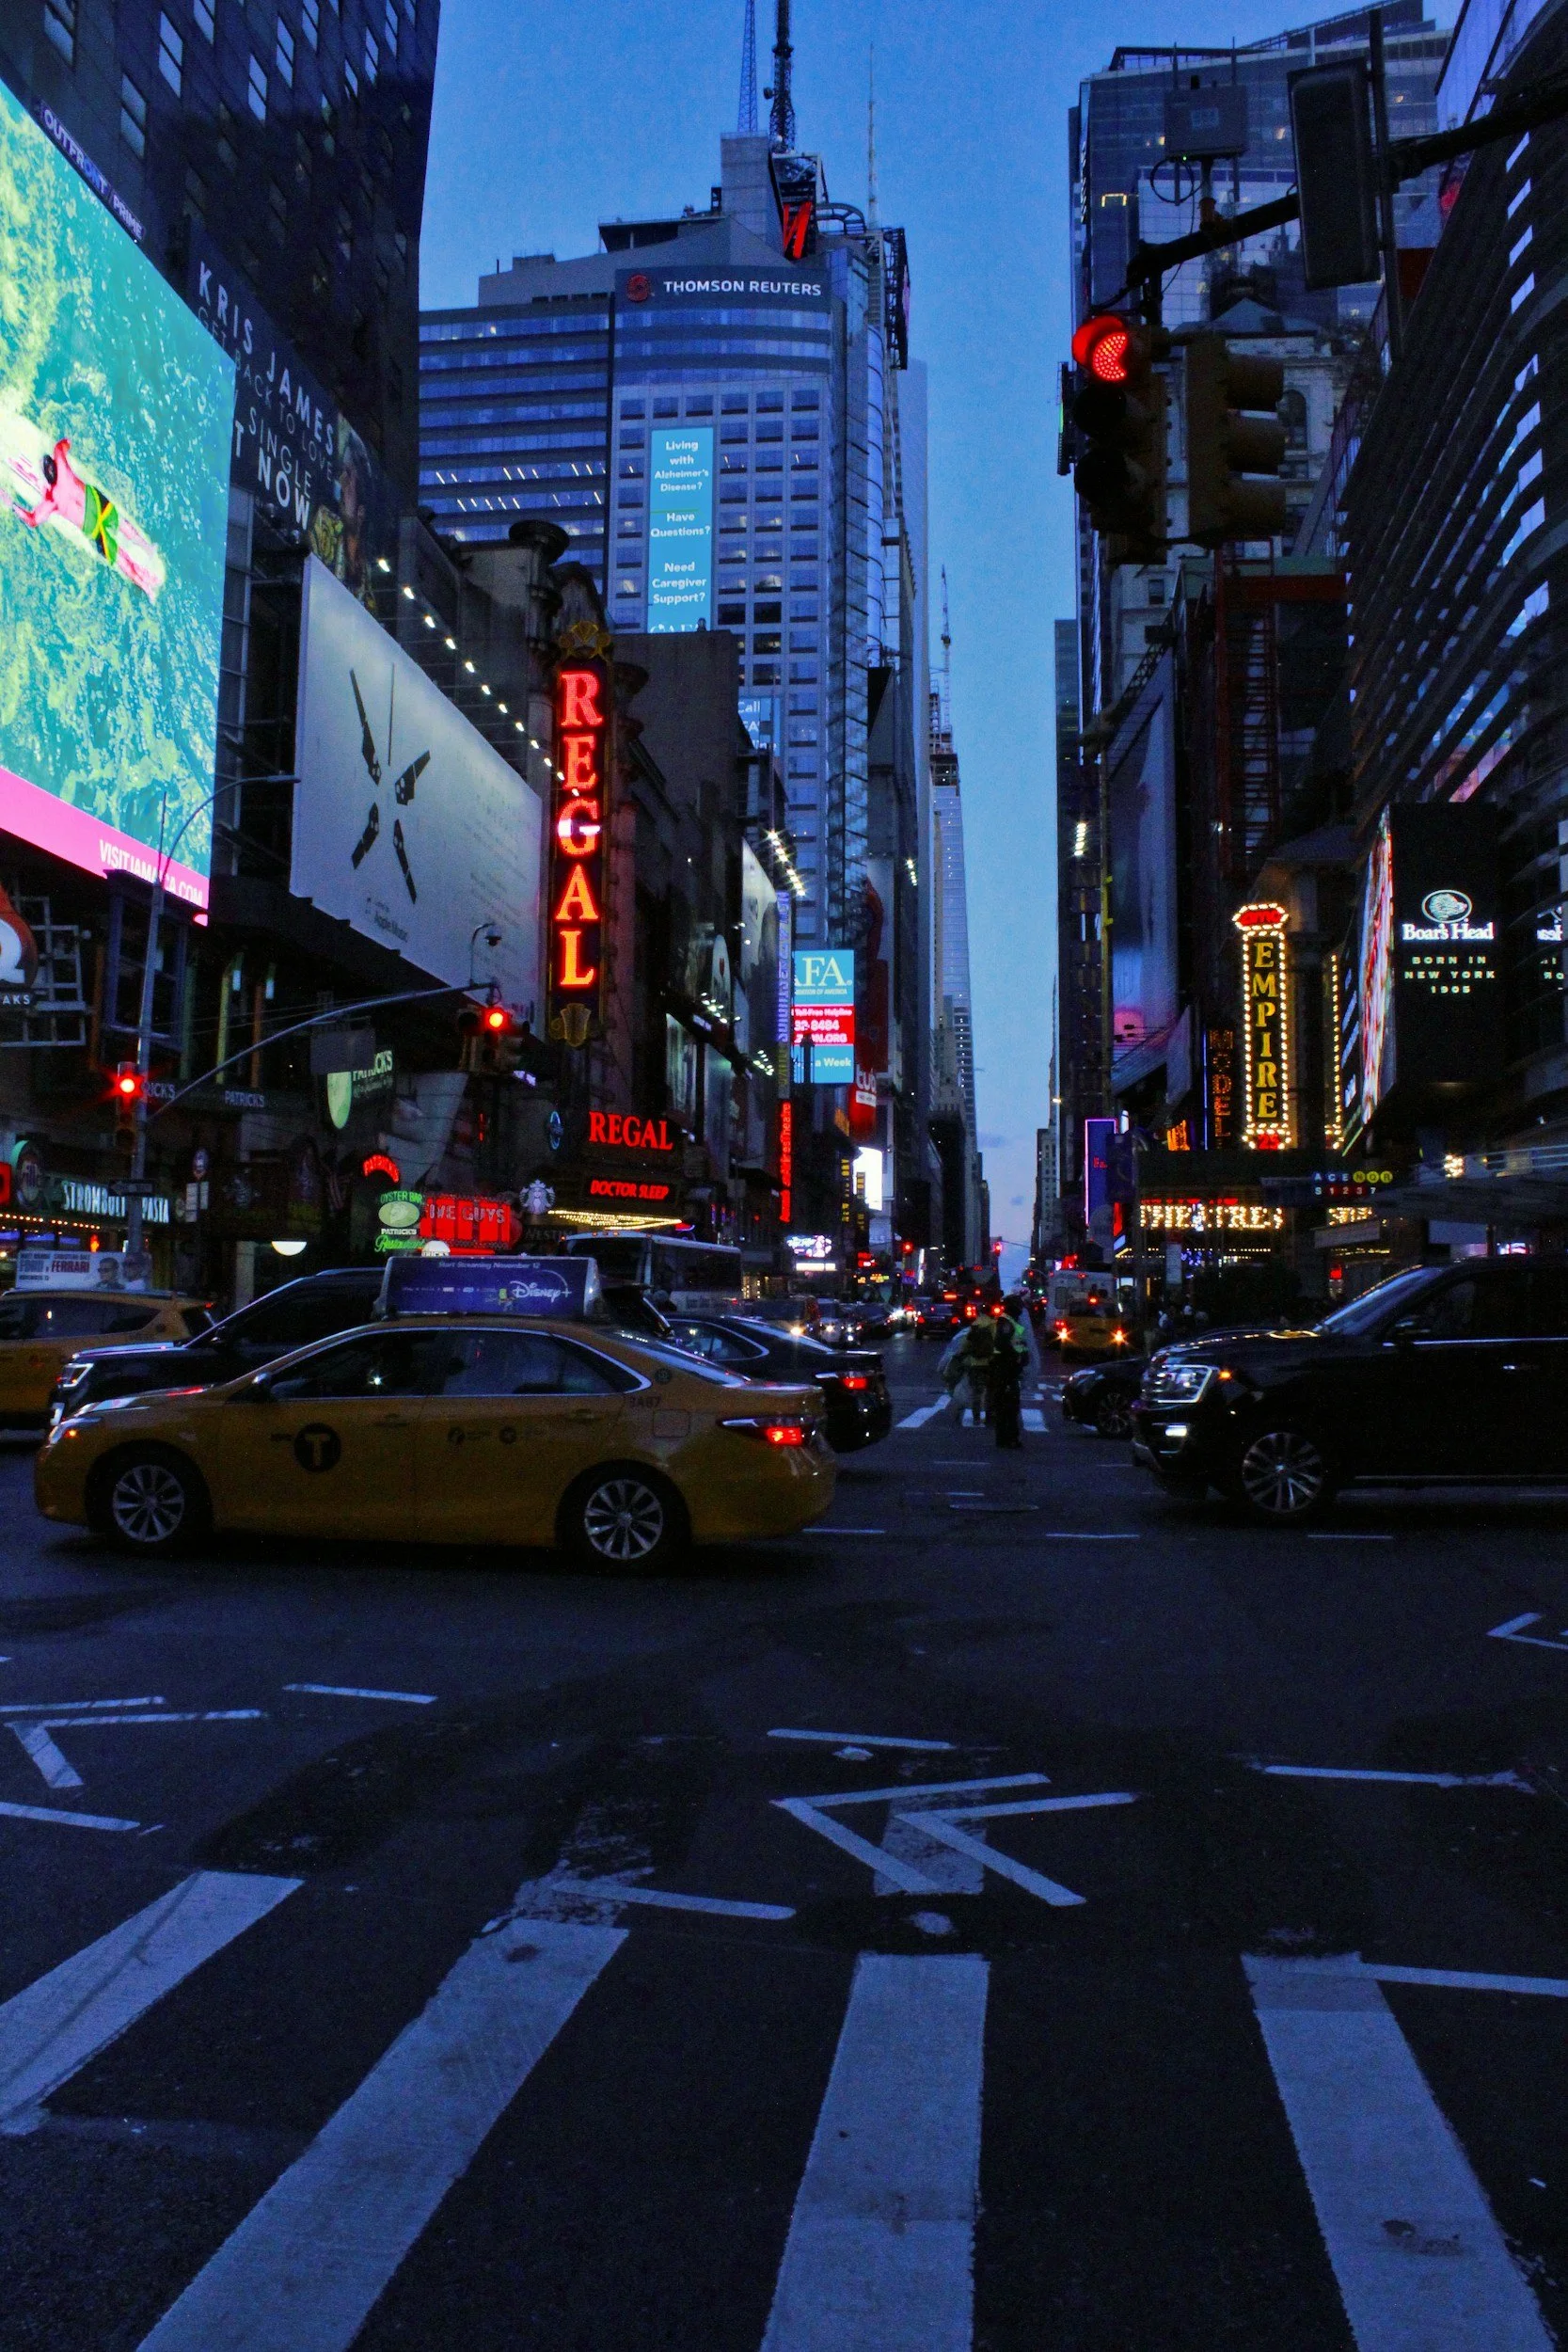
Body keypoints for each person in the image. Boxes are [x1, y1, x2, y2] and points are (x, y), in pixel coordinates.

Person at [988, 1294, 1030, 1449]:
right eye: (1018, 1306)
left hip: (1010, 1369)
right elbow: (1002, 1344)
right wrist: (1017, 1356)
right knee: (1007, 1405)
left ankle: (1009, 1437)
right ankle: (1007, 1438)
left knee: (1011, 1405)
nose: (1020, 1310)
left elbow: (1018, 1342)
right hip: (1004, 1369)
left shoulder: (1011, 1322)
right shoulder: (1005, 1322)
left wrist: (1024, 1354)